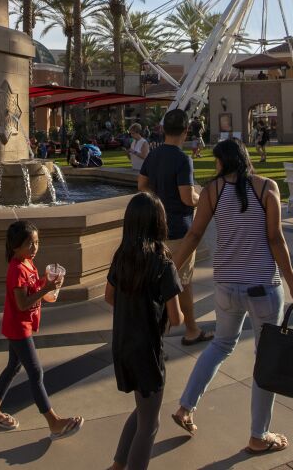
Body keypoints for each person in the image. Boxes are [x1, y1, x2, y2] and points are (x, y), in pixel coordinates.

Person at [169, 138, 293, 454]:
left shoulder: (212, 191)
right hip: (263, 288)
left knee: (220, 344)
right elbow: (276, 239)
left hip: (226, 287)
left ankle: (185, 407)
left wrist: (171, 267)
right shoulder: (266, 188)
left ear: (223, 162)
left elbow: (193, 235)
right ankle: (258, 435)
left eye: (217, 163)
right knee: (266, 359)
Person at [0, 221, 83, 438]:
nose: (35, 248)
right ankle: (54, 422)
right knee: (36, 373)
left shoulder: (28, 263)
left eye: (37, 242)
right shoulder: (16, 269)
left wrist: (45, 282)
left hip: (21, 325)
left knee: (13, 367)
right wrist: (46, 288)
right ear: (15, 246)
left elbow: (32, 288)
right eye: (30, 244)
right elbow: (21, 303)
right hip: (18, 328)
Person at [106, 192, 183, 470]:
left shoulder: (121, 256)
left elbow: (109, 296)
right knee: (151, 423)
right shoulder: (163, 264)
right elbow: (176, 316)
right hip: (148, 351)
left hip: (123, 345)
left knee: (142, 411)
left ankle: (117, 464)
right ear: (159, 223)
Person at [138, 108, 208, 346]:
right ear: (186, 131)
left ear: (163, 130)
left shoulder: (153, 156)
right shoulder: (182, 159)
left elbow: (142, 186)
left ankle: (167, 333)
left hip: (156, 230)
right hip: (179, 230)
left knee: (162, 279)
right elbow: (187, 197)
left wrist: (158, 204)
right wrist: (201, 198)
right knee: (182, 282)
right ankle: (189, 330)